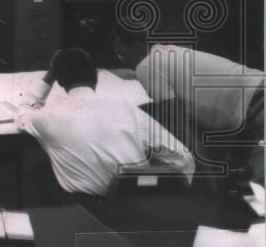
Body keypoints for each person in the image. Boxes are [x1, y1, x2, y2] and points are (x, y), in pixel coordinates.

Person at [16, 48, 194, 197]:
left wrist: (48, 78)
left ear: (60, 80)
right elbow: (183, 158)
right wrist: (158, 181)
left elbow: (23, 111)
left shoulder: (46, 117)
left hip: (88, 211)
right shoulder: (128, 109)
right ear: (95, 77)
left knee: (41, 172)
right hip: (141, 206)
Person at [111, 26, 263, 181]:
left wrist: (209, 175)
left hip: (258, 106)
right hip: (257, 96)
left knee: (257, 192)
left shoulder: (145, 65)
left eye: (122, 54)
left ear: (137, 45)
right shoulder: (168, 52)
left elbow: (180, 123)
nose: (120, 60)